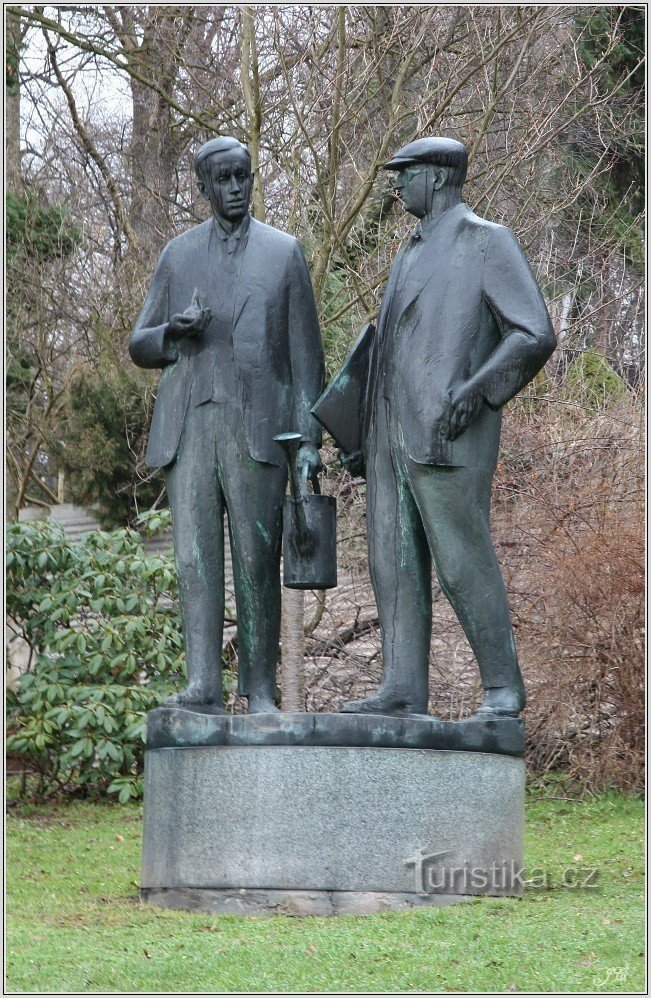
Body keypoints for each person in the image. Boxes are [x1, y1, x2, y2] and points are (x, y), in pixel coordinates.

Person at [340, 137, 556, 717]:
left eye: (404, 172)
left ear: (436, 177)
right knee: (392, 558)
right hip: (388, 436)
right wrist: (357, 428)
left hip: (448, 433)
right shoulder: (409, 250)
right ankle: (403, 686)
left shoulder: (487, 242)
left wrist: (476, 391)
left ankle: (501, 689)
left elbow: (533, 333)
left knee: (463, 561)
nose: (395, 183)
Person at [130, 136, 324, 714]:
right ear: (204, 187)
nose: (237, 188)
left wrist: (309, 441)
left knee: (257, 557)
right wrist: (173, 333)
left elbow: (306, 358)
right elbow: (140, 342)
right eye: (225, 179)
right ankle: (202, 684)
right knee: (193, 558)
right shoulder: (177, 254)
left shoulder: (283, 253)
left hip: (257, 429)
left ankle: (261, 689)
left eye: (244, 176)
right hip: (190, 426)